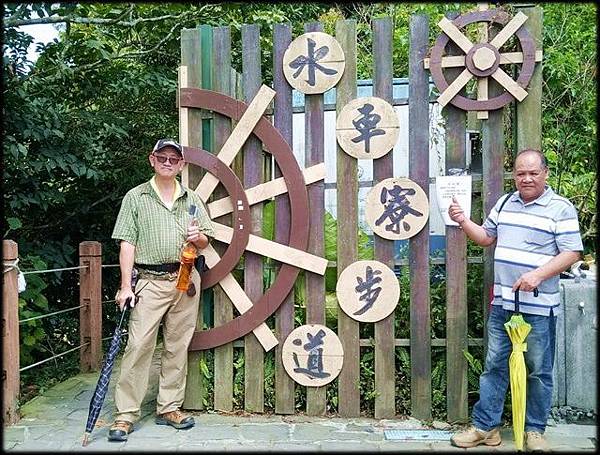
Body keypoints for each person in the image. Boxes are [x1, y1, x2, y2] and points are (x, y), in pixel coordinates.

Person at [448, 149, 583, 452]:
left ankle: (534, 431)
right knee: (494, 366)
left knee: (538, 370)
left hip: (539, 307)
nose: (526, 178)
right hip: (504, 304)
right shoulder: (506, 202)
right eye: (521, 173)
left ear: (545, 173)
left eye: (533, 173)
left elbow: (572, 252)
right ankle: (486, 428)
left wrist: (537, 274)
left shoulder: (560, 208)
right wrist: (462, 220)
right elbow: (486, 237)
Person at [107, 138, 214, 442]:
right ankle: (126, 414)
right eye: (162, 157)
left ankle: (169, 408)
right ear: (151, 159)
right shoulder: (136, 197)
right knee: (139, 345)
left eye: (174, 159)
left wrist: (199, 237)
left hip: (185, 280)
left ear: (182, 165)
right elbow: (127, 242)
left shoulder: (192, 200)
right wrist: (125, 286)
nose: (168, 163)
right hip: (149, 283)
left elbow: (206, 239)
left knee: (177, 345)